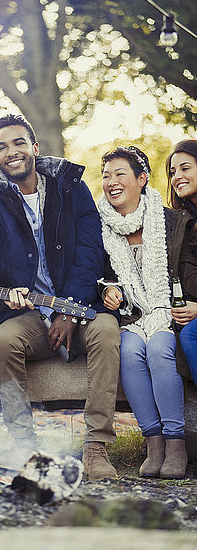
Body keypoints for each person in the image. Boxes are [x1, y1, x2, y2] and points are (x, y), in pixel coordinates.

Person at [0, 114, 120, 477]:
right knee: (3, 341)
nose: (11, 152)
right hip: (29, 314)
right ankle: (23, 444)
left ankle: (96, 447)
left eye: (18, 142)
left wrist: (71, 311)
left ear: (34, 148)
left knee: (107, 330)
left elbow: (89, 252)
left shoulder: (70, 186)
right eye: (1, 147)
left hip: (79, 306)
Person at [98, 145, 191, 479]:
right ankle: (154, 442)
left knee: (159, 349)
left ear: (142, 179)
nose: (111, 182)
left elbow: (185, 271)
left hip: (166, 309)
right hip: (130, 316)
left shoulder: (170, 220)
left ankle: (175, 442)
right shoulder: (100, 226)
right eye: (106, 176)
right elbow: (99, 274)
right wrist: (108, 290)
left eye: (120, 174)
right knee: (130, 351)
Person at [166, 139, 197, 387]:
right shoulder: (183, 221)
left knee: (191, 334)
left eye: (185, 168)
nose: (177, 177)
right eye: (173, 172)